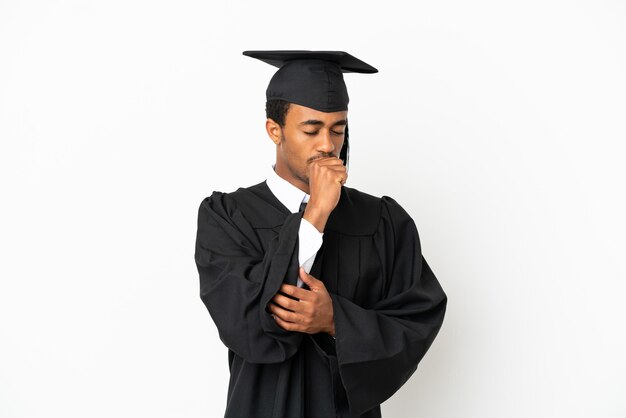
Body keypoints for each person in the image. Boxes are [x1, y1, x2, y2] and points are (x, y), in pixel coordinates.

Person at [194, 50, 447, 418]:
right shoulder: (228, 218)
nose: (327, 144)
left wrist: (336, 321)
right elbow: (245, 323)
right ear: (274, 130)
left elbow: (417, 320)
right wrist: (315, 214)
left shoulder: (381, 220)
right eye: (311, 130)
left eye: (338, 129)